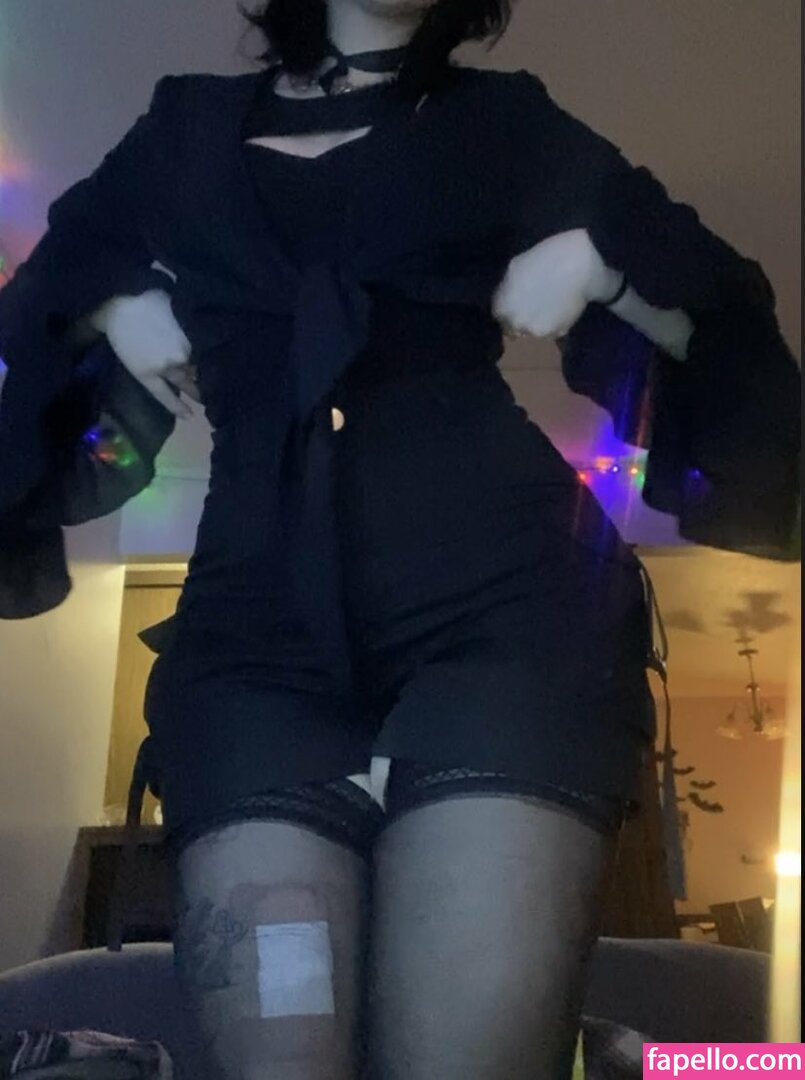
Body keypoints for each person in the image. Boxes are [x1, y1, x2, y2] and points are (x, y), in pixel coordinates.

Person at [0, 0, 799, 1077]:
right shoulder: (182, 128)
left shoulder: (502, 120)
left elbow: (722, 307)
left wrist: (608, 269)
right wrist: (108, 307)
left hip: (506, 622)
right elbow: (41, 295)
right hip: (252, 647)